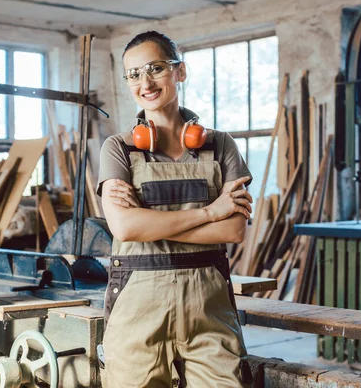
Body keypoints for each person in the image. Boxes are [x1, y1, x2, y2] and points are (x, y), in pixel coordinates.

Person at [96, 30, 254, 387]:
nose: (145, 82)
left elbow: (234, 231)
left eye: (155, 68)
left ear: (180, 72)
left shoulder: (221, 145)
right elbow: (124, 228)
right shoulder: (118, 149)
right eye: (134, 74)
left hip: (209, 308)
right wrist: (211, 212)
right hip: (138, 307)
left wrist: (149, 220)